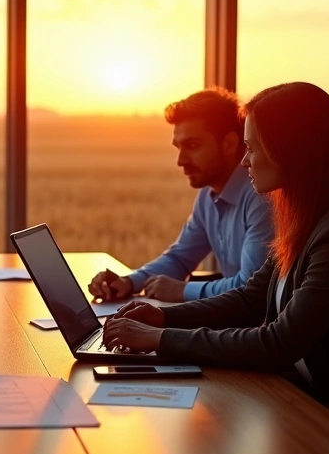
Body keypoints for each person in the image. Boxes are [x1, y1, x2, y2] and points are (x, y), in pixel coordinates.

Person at [101, 82, 329, 407]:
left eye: (252, 149)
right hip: (321, 393)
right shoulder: (308, 219)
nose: (245, 162)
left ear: (290, 152)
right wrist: (161, 318)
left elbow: (278, 343)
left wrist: (159, 339)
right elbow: (251, 297)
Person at [90, 88, 274, 303]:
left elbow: (249, 286)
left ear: (229, 144)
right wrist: (128, 282)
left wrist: (183, 291)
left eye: (192, 146)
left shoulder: (261, 196)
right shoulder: (208, 195)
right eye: (178, 147)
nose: (181, 161)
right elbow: (179, 259)